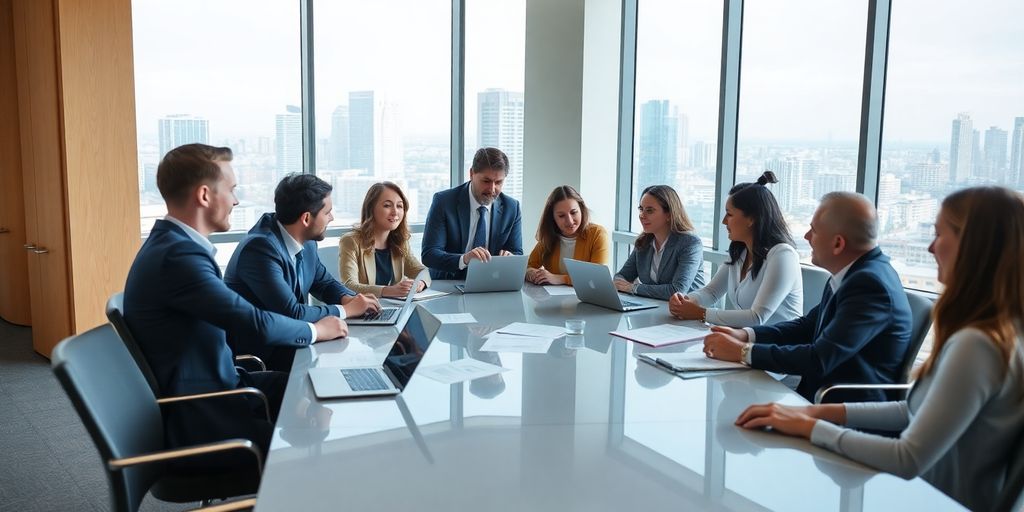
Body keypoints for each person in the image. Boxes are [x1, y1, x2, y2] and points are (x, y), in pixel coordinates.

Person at [734, 186, 1024, 512]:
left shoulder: (977, 345)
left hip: (933, 499)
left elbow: (907, 457)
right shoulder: (997, 332)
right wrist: (815, 413)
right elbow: (914, 408)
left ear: (974, 248)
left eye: (939, 234)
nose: (930, 247)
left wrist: (811, 426)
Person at [123, 144, 348, 457]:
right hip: (203, 414)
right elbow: (255, 321)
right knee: (333, 442)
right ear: (204, 196)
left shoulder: (177, 247)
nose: (236, 200)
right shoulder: (179, 258)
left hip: (224, 381)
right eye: (231, 189)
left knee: (315, 389)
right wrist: (319, 330)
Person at [702, 191, 912, 403]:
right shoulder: (853, 274)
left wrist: (743, 352)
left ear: (838, 244)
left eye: (814, 230)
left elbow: (820, 358)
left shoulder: (869, 285)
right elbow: (806, 327)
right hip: (821, 398)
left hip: (843, 410)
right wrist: (747, 336)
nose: (806, 237)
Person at [224, 174, 381, 370]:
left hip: (295, 342)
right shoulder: (259, 249)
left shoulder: (306, 242)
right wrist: (347, 310)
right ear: (306, 218)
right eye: (328, 212)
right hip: (263, 355)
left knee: (361, 356)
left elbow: (323, 283)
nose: (332, 218)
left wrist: (350, 299)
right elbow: (292, 313)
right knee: (348, 366)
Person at [669, 171, 802, 326]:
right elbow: (711, 292)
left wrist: (700, 313)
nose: (724, 222)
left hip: (780, 346)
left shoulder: (783, 255)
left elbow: (757, 318)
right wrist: (685, 300)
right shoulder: (741, 252)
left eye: (729, 214)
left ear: (751, 219)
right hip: (747, 339)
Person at [421, 147, 523, 280]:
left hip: (491, 284)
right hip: (448, 283)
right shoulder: (444, 202)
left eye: (498, 182)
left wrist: (511, 258)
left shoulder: (512, 207)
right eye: (486, 181)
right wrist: (464, 259)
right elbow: (429, 254)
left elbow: (517, 252)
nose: (492, 189)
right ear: (471, 174)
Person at [339, 181, 431, 298]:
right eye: (387, 205)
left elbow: (422, 271)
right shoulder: (350, 241)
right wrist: (388, 291)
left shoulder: (400, 242)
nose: (395, 212)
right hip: (364, 311)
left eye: (399, 206)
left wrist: (420, 283)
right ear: (371, 208)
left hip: (394, 308)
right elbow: (349, 285)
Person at [613, 185, 705, 300]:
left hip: (690, 313)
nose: (642, 215)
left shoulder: (690, 243)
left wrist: (634, 288)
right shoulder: (644, 242)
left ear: (669, 214)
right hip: (656, 308)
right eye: (641, 209)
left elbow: (677, 290)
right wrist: (621, 283)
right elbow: (622, 276)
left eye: (649, 211)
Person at [525, 185, 609, 286]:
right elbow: (528, 266)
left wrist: (560, 279)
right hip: (552, 299)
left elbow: (597, 277)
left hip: (585, 299)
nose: (569, 221)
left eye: (573, 212)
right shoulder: (549, 236)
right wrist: (532, 273)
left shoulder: (597, 234)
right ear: (553, 218)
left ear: (581, 209)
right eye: (561, 216)